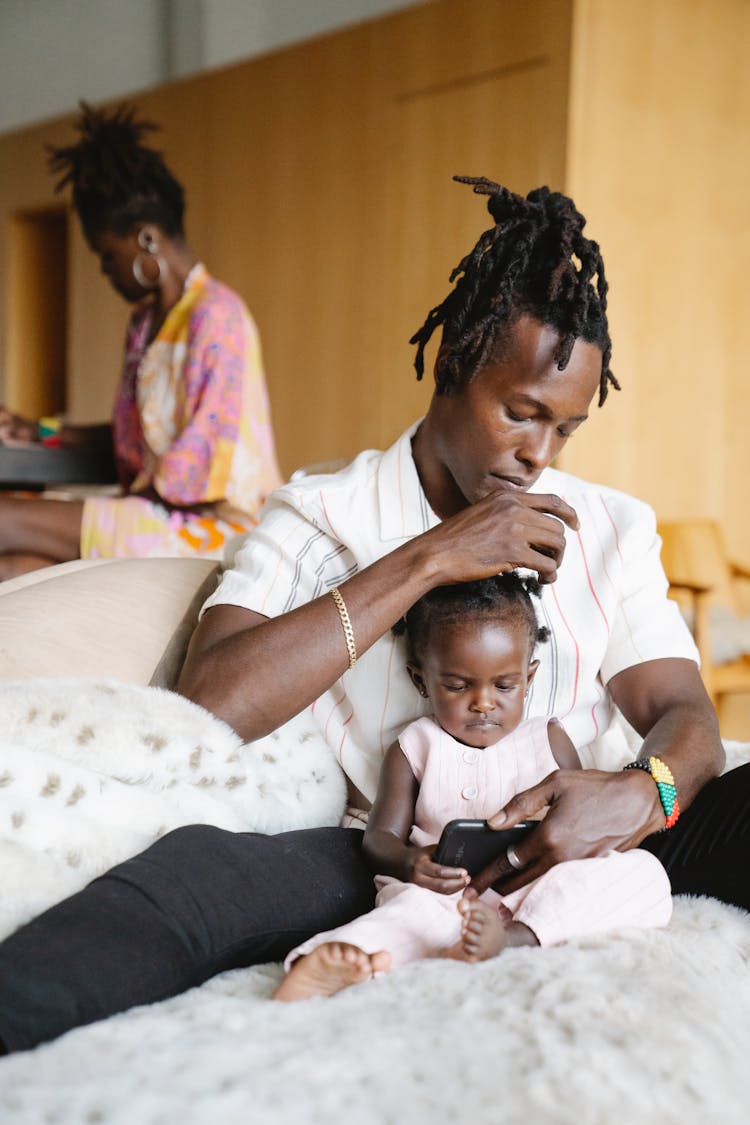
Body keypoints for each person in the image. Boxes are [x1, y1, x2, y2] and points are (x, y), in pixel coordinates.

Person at [2, 176, 749, 1055]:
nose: (538, 454)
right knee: (184, 883)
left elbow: (689, 718)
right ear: (454, 366)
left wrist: (638, 793)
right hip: (382, 850)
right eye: (520, 413)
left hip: (582, 845)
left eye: (564, 429)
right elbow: (214, 698)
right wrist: (432, 556)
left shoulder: (610, 525)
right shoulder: (324, 514)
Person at [272, 575, 673, 1001]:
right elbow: (379, 838)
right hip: (447, 897)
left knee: (643, 874)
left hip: (540, 886)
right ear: (421, 680)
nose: (483, 702)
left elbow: (578, 813)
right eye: (459, 686)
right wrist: (411, 863)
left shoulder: (549, 739)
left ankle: (514, 939)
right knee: (409, 916)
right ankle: (336, 963)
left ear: (529, 676)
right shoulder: (415, 747)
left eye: (504, 686)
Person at [0, 102, 281, 580]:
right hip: (152, 514)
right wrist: (39, 431)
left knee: (5, 519)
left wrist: (87, 510)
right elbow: (131, 441)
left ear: (146, 239)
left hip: (211, 529)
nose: (104, 271)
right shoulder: (147, 324)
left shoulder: (217, 315)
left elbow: (201, 468)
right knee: (14, 569)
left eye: (107, 255)